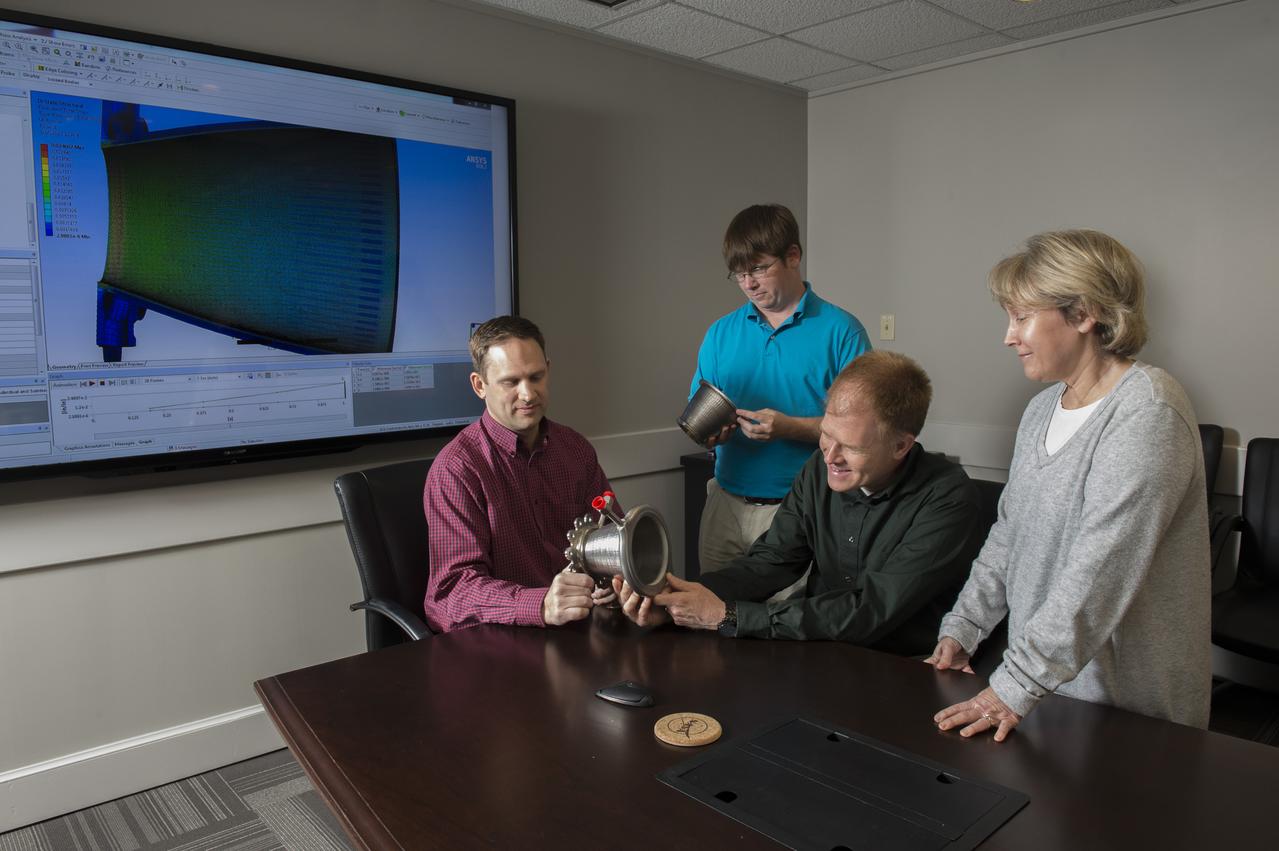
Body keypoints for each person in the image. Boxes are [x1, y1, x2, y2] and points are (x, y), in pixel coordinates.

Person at [926, 229, 1211, 742]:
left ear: (1083, 314)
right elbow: (1009, 535)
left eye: (1022, 317)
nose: (1008, 336)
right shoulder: (1040, 411)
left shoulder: (1148, 412)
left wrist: (1012, 685)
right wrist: (964, 627)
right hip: (1045, 694)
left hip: (1127, 708)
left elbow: (1100, 573)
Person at [618, 351, 982, 655]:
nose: (830, 456)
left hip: (904, 666)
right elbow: (773, 561)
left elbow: (870, 610)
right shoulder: (817, 469)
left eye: (851, 447)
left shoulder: (948, 497)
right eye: (826, 435)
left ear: (901, 445)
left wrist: (728, 616)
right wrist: (680, 600)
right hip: (821, 651)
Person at [691, 204, 871, 575]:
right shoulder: (720, 334)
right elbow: (699, 416)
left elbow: (863, 433)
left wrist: (789, 427)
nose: (749, 284)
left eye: (758, 268)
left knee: (785, 628)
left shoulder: (843, 332)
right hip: (724, 504)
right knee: (709, 618)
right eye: (739, 274)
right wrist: (712, 435)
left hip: (800, 510)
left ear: (793, 256)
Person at [423, 316, 614, 633]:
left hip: (578, 626)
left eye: (536, 377)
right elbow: (452, 593)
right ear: (479, 386)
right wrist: (541, 605)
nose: (528, 394)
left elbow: (609, 532)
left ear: (548, 370)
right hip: (499, 640)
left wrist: (617, 578)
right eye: (511, 382)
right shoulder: (457, 469)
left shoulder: (575, 450)